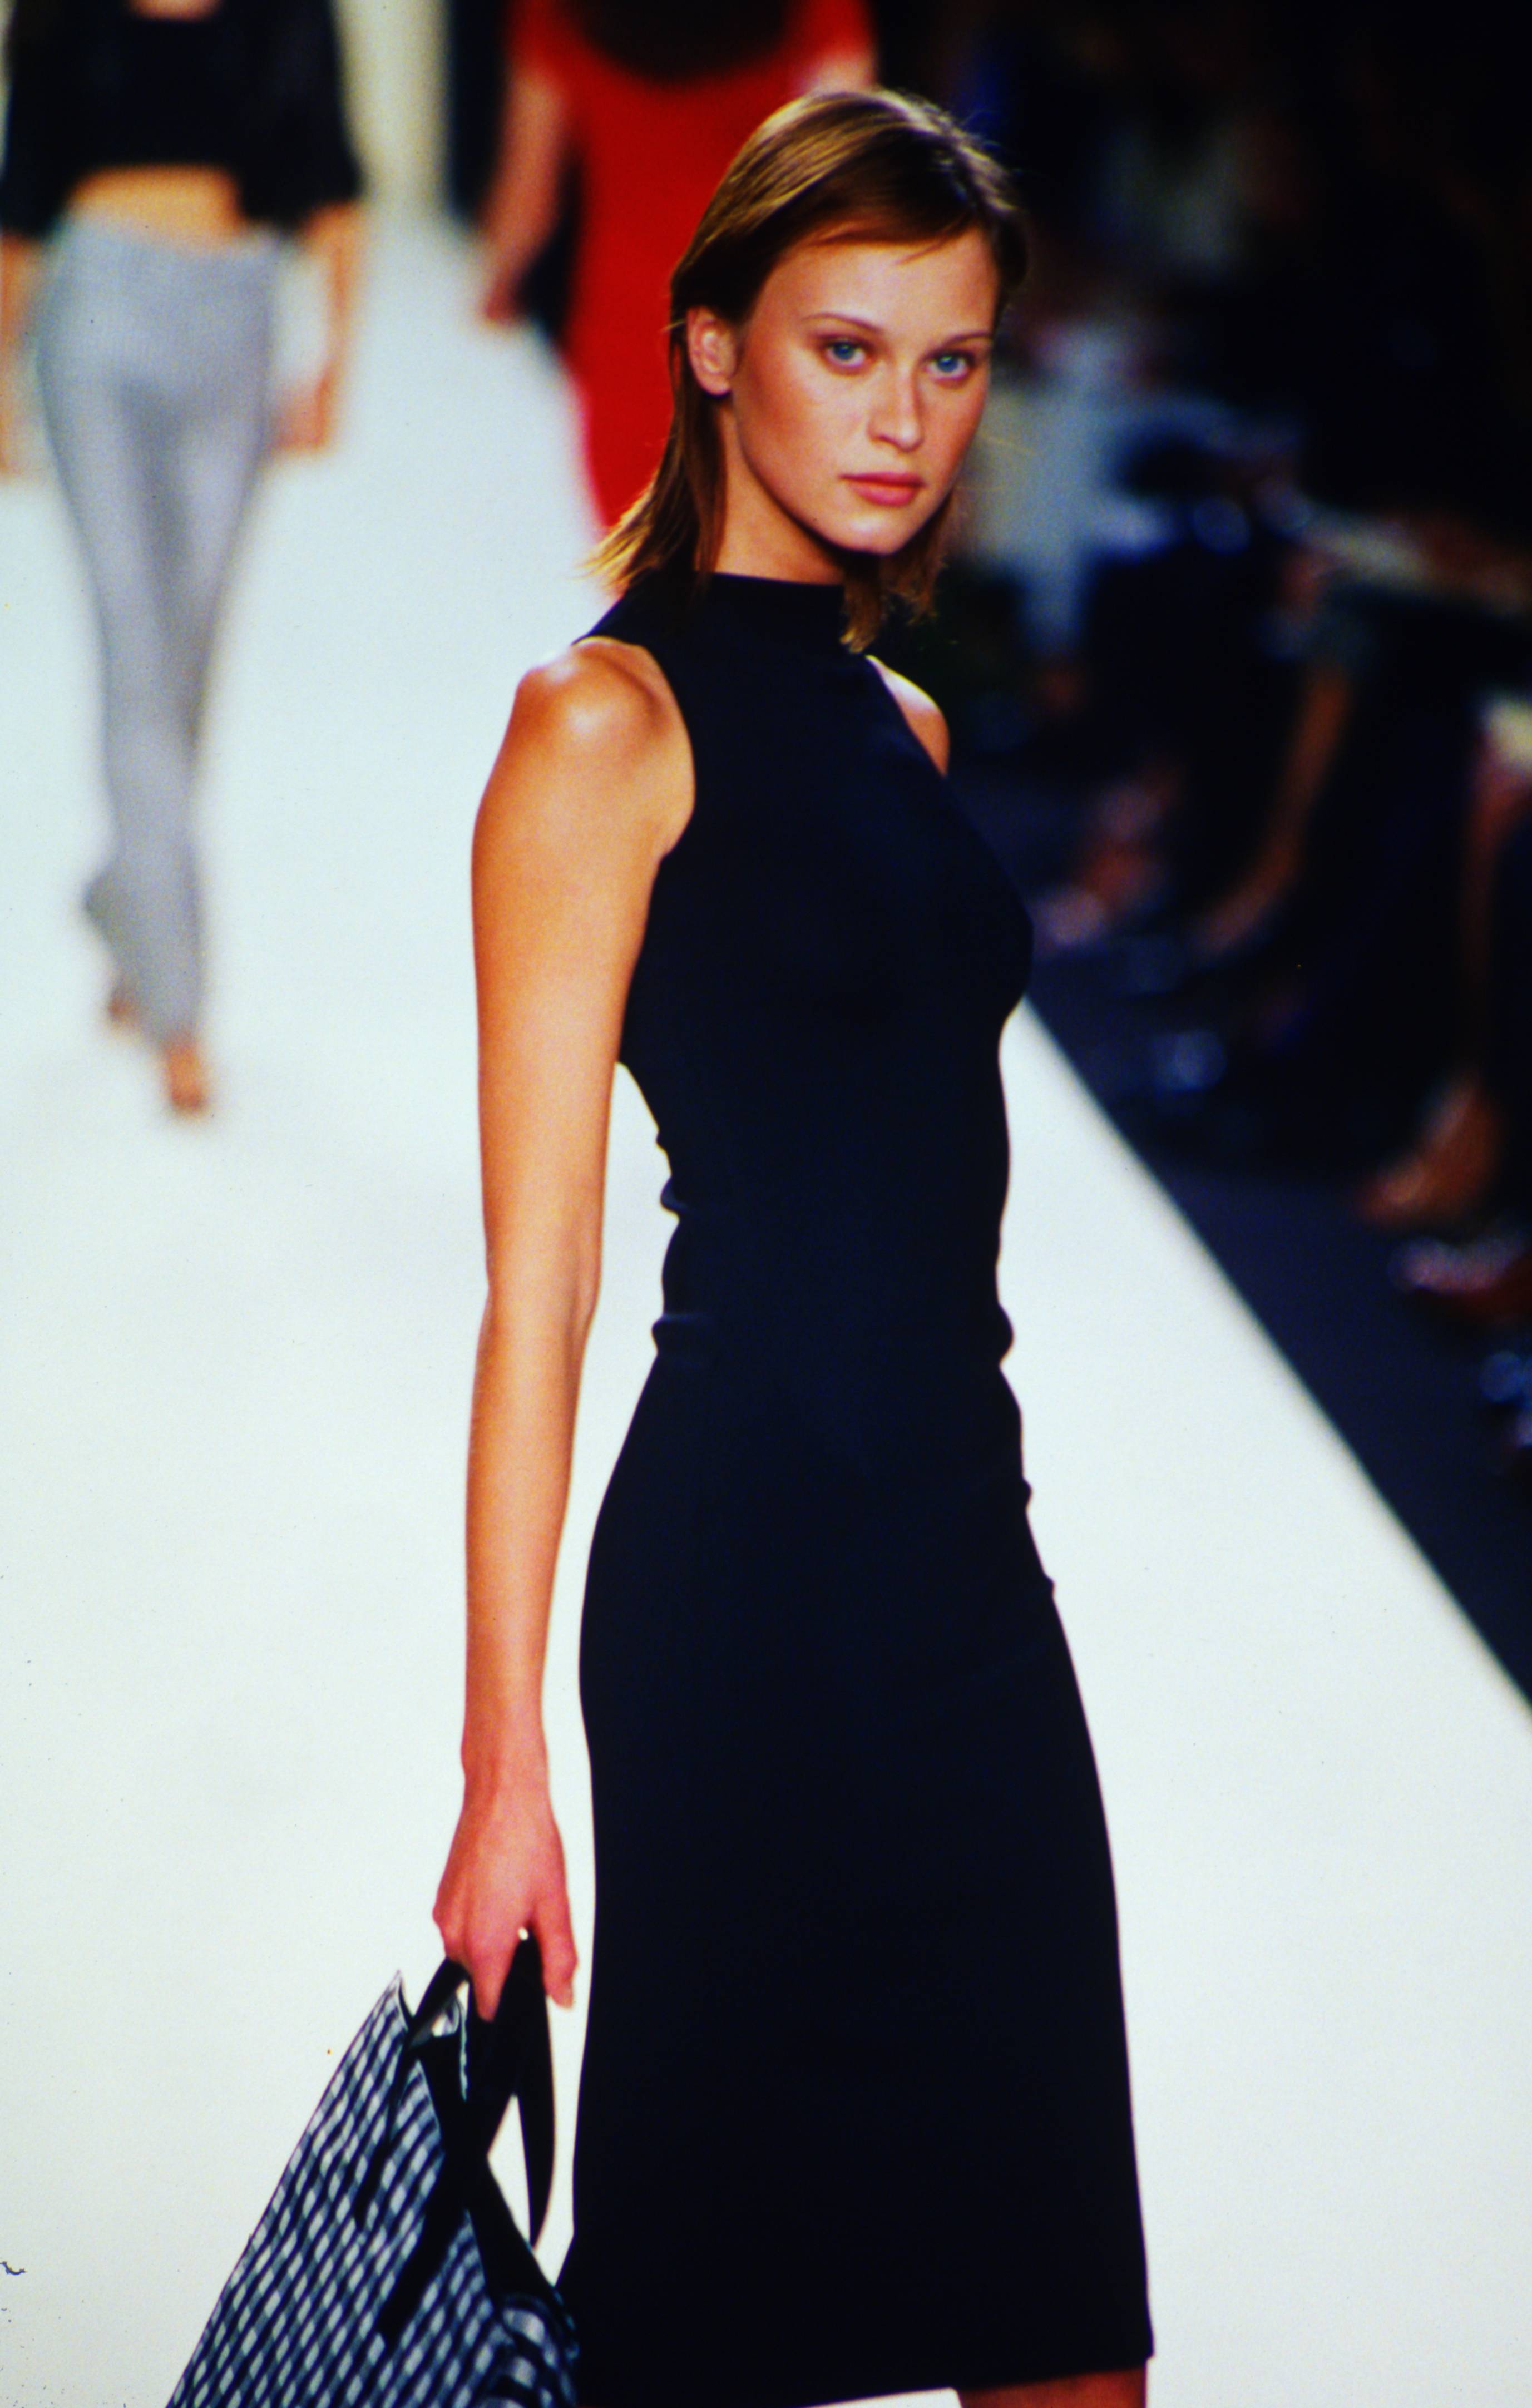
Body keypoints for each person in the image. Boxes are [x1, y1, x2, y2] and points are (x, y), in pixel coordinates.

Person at [434, 88, 1152, 2408]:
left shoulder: (905, 725)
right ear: (714, 342)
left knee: (1066, 2331)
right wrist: (504, 1770)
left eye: (952, 362)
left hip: (969, 1578)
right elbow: (539, 1283)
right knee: (716, 2338)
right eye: (849, 350)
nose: (905, 418)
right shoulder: (599, 727)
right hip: (740, 1600)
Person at [0, 0, 363, 1115]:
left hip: (234, 318)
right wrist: (1, 376)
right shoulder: (63, 15)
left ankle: (129, 901)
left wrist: (332, 362)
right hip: (94, 320)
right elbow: (24, 192)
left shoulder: (289, 17)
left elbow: (332, 181)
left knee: (186, 655)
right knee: (134, 652)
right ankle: (180, 1011)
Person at [478, 0, 874, 526]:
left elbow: (529, 197)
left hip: (627, 337)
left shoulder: (555, 12)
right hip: (760, 326)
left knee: (643, 552)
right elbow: (851, 176)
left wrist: (498, 287)